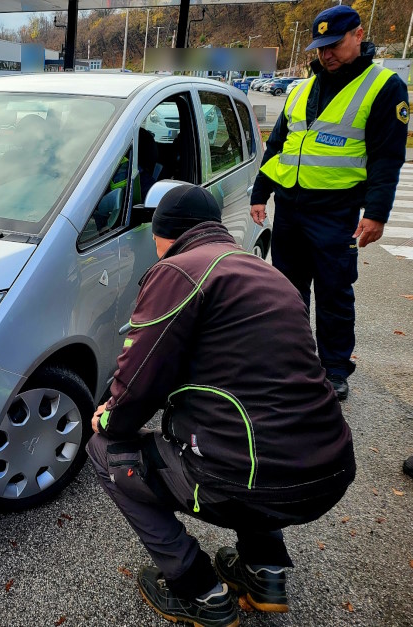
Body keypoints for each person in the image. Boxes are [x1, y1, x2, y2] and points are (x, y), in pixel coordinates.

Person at [87, 183, 356, 627]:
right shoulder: (266, 273)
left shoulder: (179, 270)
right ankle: (264, 570)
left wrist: (111, 417)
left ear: (165, 233)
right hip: (328, 472)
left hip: (246, 480)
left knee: (105, 450)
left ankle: (199, 590)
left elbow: (139, 377)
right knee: (249, 428)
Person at [250, 5, 409, 401]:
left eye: (334, 45)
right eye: (320, 47)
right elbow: (278, 146)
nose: (326, 55)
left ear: (358, 35)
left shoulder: (383, 86)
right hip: (289, 209)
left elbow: (387, 157)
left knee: (335, 292)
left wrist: (376, 214)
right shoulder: (301, 88)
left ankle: (335, 369)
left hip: (336, 213)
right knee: (287, 292)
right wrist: (260, 193)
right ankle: (292, 361)